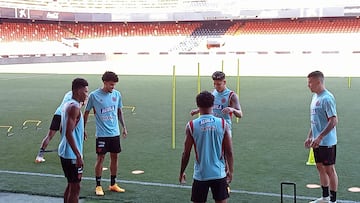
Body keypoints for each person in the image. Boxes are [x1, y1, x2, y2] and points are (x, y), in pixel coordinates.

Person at [180, 91, 234, 203]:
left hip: (201, 174)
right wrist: (230, 171)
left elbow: (186, 153)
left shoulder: (191, 125)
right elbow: (229, 151)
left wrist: (182, 172)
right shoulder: (223, 124)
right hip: (219, 173)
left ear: (198, 105)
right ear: (213, 104)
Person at [84, 71, 128, 196]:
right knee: (100, 158)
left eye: (114, 85)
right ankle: (98, 186)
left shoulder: (117, 94)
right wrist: (83, 129)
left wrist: (124, 127)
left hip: (115, 133)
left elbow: (119, 112)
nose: (113, 87)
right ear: (104, 83)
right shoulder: (94, 96)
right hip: (102, 134)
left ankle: (113, 184)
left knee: (115, 157)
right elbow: (86, 113)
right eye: (111, 85)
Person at [304, 71, 338, 203]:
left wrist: (320, 137)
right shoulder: (315, 97)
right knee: (320, 167)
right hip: (317, 142)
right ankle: (325, 198)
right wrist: (310, 136)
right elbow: (316, 121)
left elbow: (333, 120)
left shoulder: (327, 98)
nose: (308, 85)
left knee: (329, 169)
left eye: (310, 82)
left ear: (318, 82)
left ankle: (333, 200)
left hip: (327, 142)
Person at [58, 78, 88, 203]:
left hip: (65, 152)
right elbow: (68, 132)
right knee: (76, 187)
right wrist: (77, 155)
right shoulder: (74, 107)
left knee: (71, 184)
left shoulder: (68, 104)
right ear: (78, 90)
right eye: (85, 92)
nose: (87, 95)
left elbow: (61, 128)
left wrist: (81, 131)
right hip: (71, 156)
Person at [35, 90, 72, 163]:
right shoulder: (77, 96)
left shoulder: (68, 93)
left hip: (58, 114)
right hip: (66, 116)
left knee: (49, 136)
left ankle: (39, 156)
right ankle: (66, 154)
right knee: (67, 136)